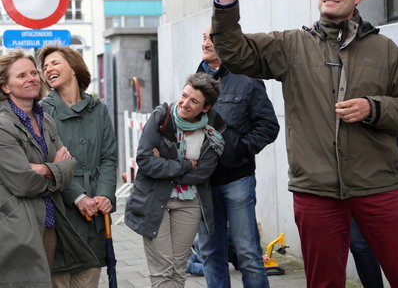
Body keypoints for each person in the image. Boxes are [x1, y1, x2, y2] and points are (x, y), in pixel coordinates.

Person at [209, 0, 398, 288]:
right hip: (316, 190)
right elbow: (234, 53)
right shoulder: (291, 45)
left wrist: (373, 108)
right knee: (323, 283)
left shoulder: (384, 48)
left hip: (378, 186)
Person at [0, 49, 98, 287]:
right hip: (17, 228)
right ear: (6, 87)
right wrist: (55, 167)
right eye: (21, 75)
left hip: (49, 223)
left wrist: (44, 168)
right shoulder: (3, 125)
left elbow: (69, 164)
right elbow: (23, 182)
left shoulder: (45, 119)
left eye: (34, 72)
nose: (32, 78)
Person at [196, 26, 279, 288]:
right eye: (203, 37)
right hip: (204, 182)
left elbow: (269, 126)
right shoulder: (196, 81)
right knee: (211, 253)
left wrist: (240, 150)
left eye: (211, 37)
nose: (205, 42)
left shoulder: (247, 78)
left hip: (237, 180)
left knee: (248, 254)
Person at [125, 73, 226, 288]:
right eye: (184, 95)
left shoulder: (213, 131)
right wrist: (186, 165)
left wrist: (163, 163)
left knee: (178, 270)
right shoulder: (162, 116)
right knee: (162, 271)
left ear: (205, 108)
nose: (185, 103)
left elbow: (203, 173)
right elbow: (144, 160)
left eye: (194, 101)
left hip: (189, 204)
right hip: (154, 201)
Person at [38, 46, 118, 287]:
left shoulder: (99, 109)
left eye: (54, 63)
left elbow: (109, 158)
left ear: (73, 67)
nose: (48, 69)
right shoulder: (42, 111)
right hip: (61, 211)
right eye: (45, 67)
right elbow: (49, 162)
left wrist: (104, 195)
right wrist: (79, 196)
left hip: (94, 215)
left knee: (89, 280)